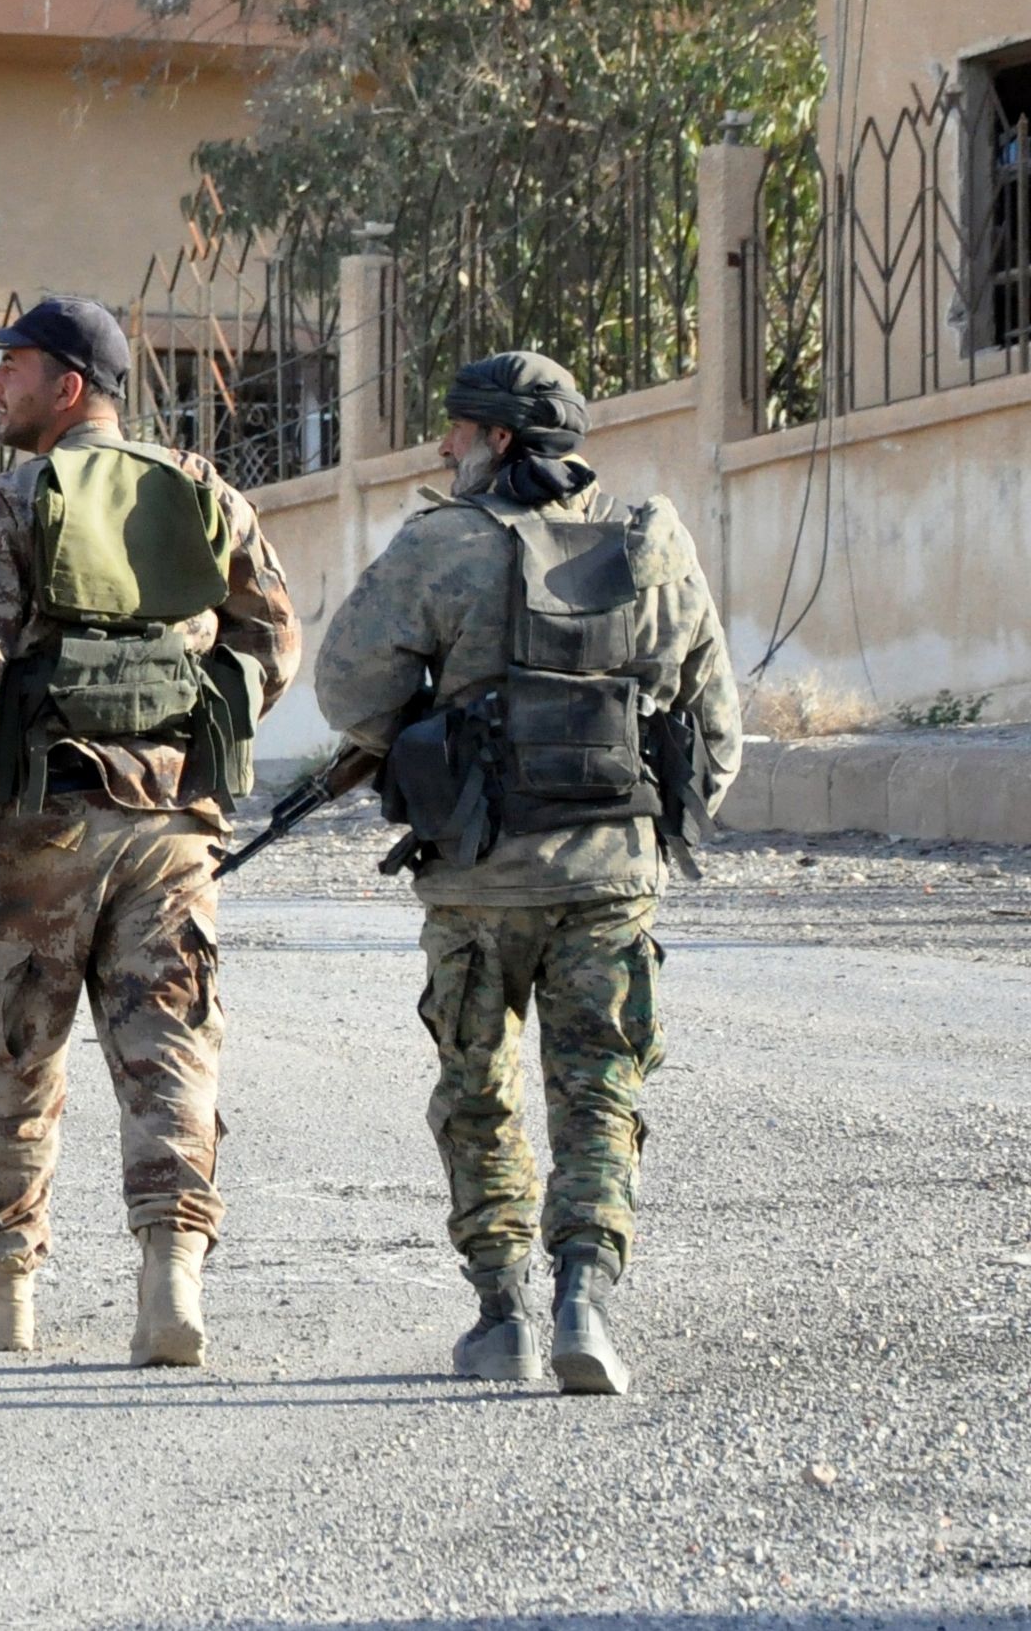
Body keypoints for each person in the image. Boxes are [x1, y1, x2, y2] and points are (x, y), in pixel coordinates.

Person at [315, 349, 737, 1396]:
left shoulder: (443, 544)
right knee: (600, 1090)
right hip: (610, 878)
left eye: (457, 430)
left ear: (498, 440)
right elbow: (716, 730)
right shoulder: (653, 542)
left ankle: (501, 1316)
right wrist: (642, 836)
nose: (443, 447)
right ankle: (584, 1298)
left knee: (478, 1090)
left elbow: (348, 688)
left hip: (479, 879)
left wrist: (428, 739)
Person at [0, 298, 299, 1366]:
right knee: (170, 1044)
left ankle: (2, 1293)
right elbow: (274, 641)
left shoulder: (13, 500)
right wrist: (192, 726)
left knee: (12, 1052)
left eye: (12, 366)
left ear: (69, 386)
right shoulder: (204, 491)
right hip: (173, 826)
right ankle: (171, 1282)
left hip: (45, 824)